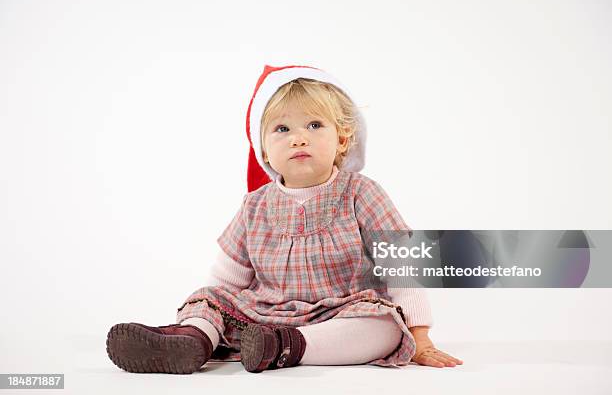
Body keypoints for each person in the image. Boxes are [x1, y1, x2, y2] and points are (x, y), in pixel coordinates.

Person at [106, 64, 463, 374]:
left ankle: (286, 346)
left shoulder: (360, 193)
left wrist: (420, 337)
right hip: (263, 315)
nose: (298, 139)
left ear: (342, 138)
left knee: (383, 327)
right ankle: (192, 339)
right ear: (264, 151)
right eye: (282, 130)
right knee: (210, 298)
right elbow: (227, 279)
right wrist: (211, 310)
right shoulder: (255, 205)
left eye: (313, 124)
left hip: (340, 313)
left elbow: (401, 265)